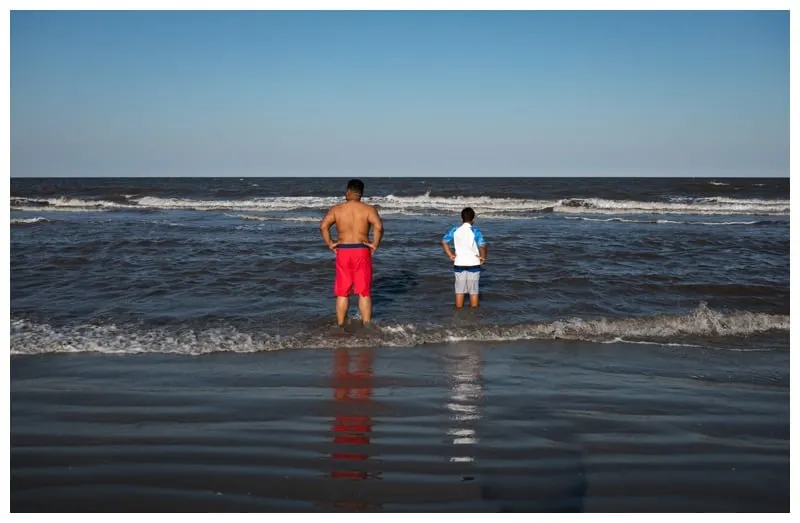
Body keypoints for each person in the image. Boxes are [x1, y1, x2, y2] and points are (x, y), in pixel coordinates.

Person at [320, 179, 383, 327]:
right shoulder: (368, 209)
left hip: (344, 250)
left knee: (342, 291)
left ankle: (341, 325)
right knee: (364, 292)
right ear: (361, 193)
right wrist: (374, 244)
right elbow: (378, 227)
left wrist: (330, 243)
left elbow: (323, 226)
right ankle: (367, 325)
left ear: (348, 191)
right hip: (361, 249)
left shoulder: (337, 209)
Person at [441, 207, 487, 309]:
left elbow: (444, 242)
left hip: (459, 262)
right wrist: (483, 257)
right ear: (473, 220)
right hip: (473, 263)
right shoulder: (475, 231)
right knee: (473, 291)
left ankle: (458, 315)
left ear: (461, 219)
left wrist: (450, 255)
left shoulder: (455, 230)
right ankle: (473, 314)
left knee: (459, 291)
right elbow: (483, 245)